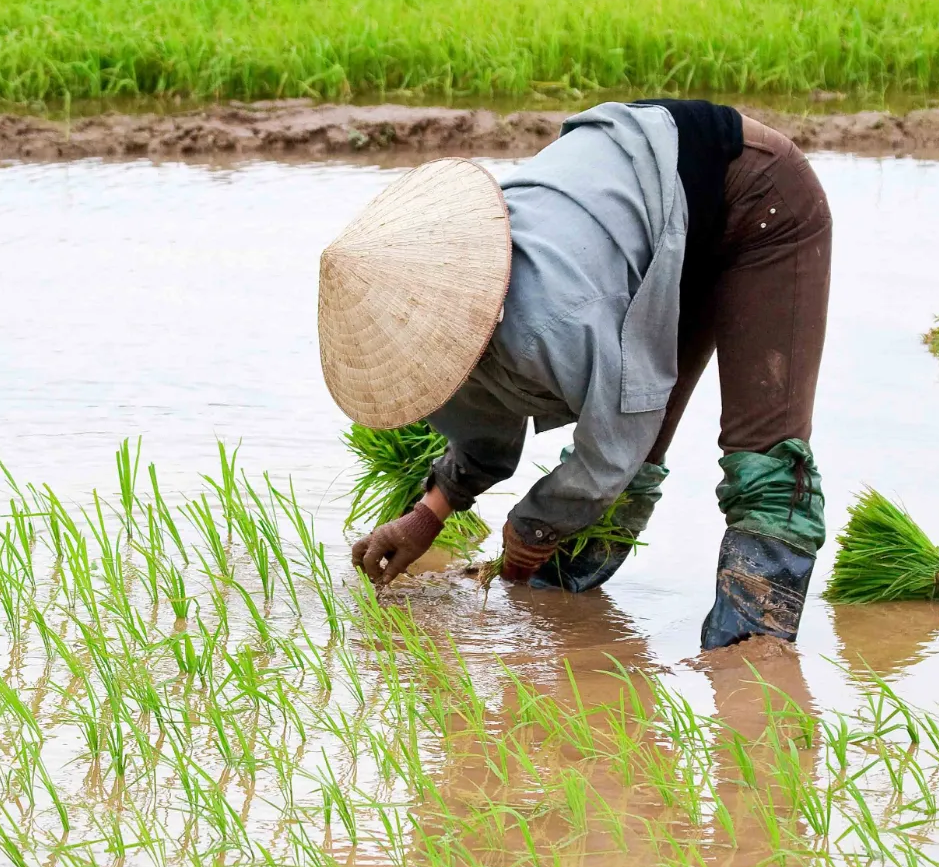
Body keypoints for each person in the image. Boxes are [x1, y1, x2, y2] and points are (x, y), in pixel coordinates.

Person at [316, 100, 831, 650]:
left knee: (765, 469)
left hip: (755, 199)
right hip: (659, 227)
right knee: (616, 469)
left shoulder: (551, 321)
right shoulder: (444, 333)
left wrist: (533, 523)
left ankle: (753, 672)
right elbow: (485, 425)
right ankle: (560, 618)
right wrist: (429, 513)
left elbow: (616, 443)